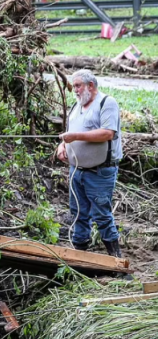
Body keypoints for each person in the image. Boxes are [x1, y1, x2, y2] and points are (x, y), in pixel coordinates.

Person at [56, 69, 124, 258]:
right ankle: (80, 254)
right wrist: (62, 145)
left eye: (78, 86)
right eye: (74, 86)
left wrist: (75, 137)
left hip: (100, 171)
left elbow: (107, 133)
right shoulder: (77, 106)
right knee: (77, 211)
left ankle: (115, 258)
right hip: (77, 170)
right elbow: (70, 132)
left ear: (90, 86)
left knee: (101, 214)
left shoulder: (106, 103)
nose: (75, 90)